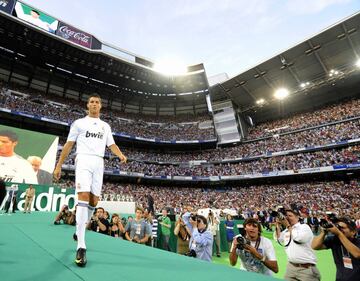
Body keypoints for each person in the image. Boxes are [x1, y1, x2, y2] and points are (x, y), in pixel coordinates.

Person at [53, 94, 127, 267]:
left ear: (101, 106)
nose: (94, 104)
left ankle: (79, 229)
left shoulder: (105, 126)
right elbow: (69, 145)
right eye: (92, 102)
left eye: (97, 102)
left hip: (99, 162)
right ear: (88, 105)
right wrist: (58, 165)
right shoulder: (79, 123)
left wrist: (120, 154)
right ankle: (81, 246)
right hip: (83, 160)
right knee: (83, 198)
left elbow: (112, 144)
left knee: (94, 201)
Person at [275, 208, 321, 281]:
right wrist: (278, 225)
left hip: (306, 269)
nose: (287, 218)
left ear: (297, 217)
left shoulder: (304, 227)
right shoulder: (287, 230)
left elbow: (298, 238)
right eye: (286, 216)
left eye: (290, 216)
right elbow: (278, 239)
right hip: (291, 268)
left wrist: (287, 225)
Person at [312, 216, 360, 281]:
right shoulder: (334, 240)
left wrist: (339, 233)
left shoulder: (358, 241)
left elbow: (357, 254)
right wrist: (324, 232)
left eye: (342, 228)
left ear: (353, 232)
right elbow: (314, 246)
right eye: (338, 227)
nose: (339, 230)